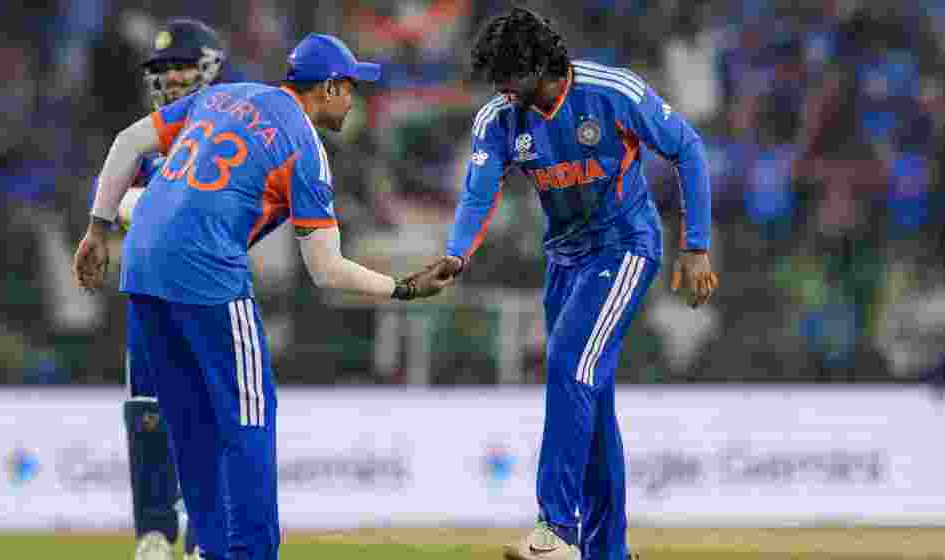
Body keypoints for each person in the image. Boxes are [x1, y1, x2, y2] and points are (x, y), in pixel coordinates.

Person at [72, 33, 453, 560]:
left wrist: (97, 229)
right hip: (207, 270)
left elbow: (127, 142)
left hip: (141, 267)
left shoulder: (222, 95)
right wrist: (403, 288)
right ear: (329, 87)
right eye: (350, 88)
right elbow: (326, 270)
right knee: (249, 417)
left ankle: (210, 549)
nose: (353, 99)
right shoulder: (305, 146)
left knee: (190, 422)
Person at [433, 8, 719, 560]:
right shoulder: (499, 118)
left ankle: (557, 530)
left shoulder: (611, 92)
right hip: (564, 261)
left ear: (540, 66)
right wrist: (456, 254)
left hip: (625, 247)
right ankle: (608, 551)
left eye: (509, 77)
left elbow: (687, 147)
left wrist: (696, 245)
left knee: (568, 362)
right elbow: (478, 192)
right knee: (591, 399)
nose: (501, 90)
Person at [112, 18, 227, 560]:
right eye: (163, 69)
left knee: (213, 414)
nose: (172, 78)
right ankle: (154, 532)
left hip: (212, 297)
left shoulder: (231, 133)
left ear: (209, 68)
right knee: (147, 412)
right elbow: (112, 205)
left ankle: (207, 534)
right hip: (150, 298)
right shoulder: (143, 139)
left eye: (181, 65)